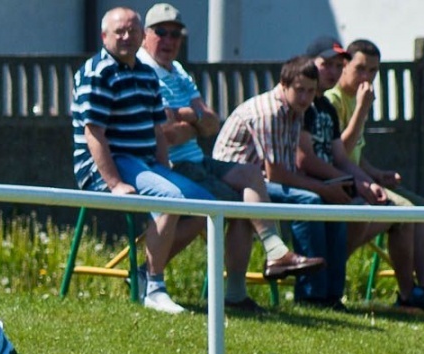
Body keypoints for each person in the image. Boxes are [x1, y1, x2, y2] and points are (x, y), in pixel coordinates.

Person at [135, 3, 325, 313]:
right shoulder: (144, 70)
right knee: (236, 204)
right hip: (169, 166)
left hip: (198, 159)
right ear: (146, 34)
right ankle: (148, 272)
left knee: (250, 176)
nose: (169, 40)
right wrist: (194, 120)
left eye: (176, 34)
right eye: (161, 32)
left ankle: (272, 257)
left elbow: (212, 122)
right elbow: (165, 134)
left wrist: (187, 118)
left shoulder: (178, 71)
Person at [72, 6, 225, 314]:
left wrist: (164, 167)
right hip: (110, 166)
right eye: (119, 32)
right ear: (104, 36)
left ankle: (143, 273)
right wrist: (114, 183)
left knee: (207, 208)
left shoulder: (145, 72)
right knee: (170, 199)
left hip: (145, 164)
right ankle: (155, 288)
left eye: (132, 31)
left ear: (142, 36)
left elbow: (157, 130)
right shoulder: (97, 72)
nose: (126, 37)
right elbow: (94, 134)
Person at [325, 39, 424, 315]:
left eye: (373, 71)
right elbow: (340, 155)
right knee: (406, 213)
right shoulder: (334, 101)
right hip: (341, 183)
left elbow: (356, 155)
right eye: (360, 68)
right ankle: (408, 294)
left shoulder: (356, 99)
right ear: (345, 66)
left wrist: (377, 173)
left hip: (360, 179)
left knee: (423, 210)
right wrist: (362, 110)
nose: (367, 77)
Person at [213, 56, 350, 310]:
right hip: (233, 183)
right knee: (310, 200)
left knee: (330, 203)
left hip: (259, 182)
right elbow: (276, 174)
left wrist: (329, 188)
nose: (305, 98)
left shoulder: (297, 110)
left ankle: (331, 294)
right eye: (300, 90)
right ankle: (310, 294)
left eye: (311, 91)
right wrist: (322, 188)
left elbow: (287, 169)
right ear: (283, 85)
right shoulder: (270, 111)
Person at [297, 36, 418, 307]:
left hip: (332, 179)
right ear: (309, 64)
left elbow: (343, 157)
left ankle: (420, 291)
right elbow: (305, 160)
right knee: (362, 210)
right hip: (303, 182)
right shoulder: (307, 103)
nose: (333, 71)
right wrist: (362, 109)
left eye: (337, 65)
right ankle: (319, 286)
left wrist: (369, 180)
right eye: (326, 64)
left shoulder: (326, 107)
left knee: (410, 211)